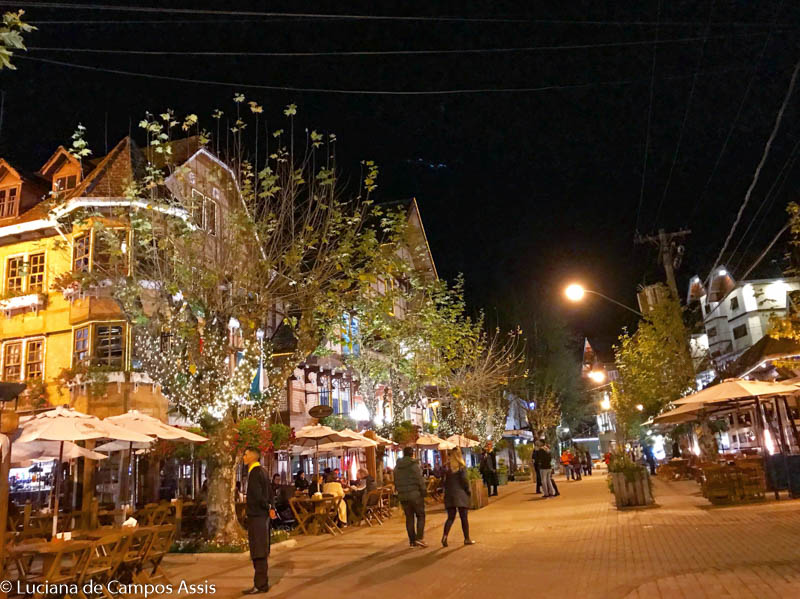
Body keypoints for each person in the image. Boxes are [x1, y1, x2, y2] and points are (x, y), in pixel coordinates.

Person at [242, 447, 273, 595]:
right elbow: (270, 492)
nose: (243, 457)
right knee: (261, 549)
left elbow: (257, 495)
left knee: (258, 550)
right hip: (263, 515)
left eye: (246, 454)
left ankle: (260, 585)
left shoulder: (255, 473)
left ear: (253, 457)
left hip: (257, 516)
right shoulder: (264, 471)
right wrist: (270, 507)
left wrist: (265, 506)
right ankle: (261, 583)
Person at [441, 449, 475, 547]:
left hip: (449, 495)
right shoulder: (461, 468)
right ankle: (467, 538)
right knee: (464, 518)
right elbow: (464, 481)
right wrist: (468, 491)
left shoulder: (447, 468)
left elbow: (444, 482)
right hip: (460, 495)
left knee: (450, 517)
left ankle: (445, 536)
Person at [394, 446, 427, 547]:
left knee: (409, 518)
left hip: (403, 496)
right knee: (421, 515)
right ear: (412, 454)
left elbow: (395, 481)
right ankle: (419, 538)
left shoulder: (397, 467)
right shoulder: (414, 466)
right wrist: (424, 491)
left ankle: (412, 541)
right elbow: (420, 480)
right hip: (415, 495)